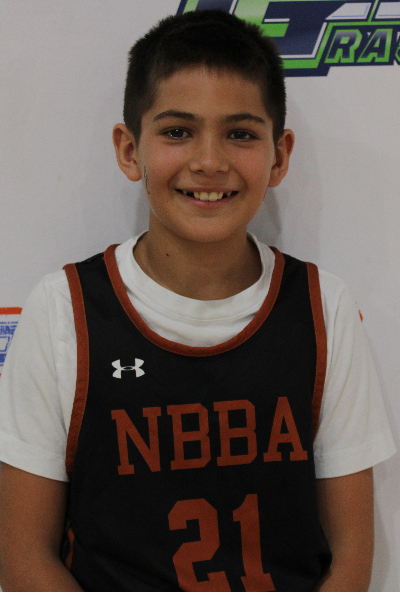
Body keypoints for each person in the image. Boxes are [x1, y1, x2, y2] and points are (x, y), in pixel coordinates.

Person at [0, 9, 395, 593]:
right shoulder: (64, 311)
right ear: (129, 149)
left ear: (279, 155)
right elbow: (23, 559)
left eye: (240, 133)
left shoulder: (323, 308)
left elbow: (352, 555)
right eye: (178, 131)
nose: (209, 161)